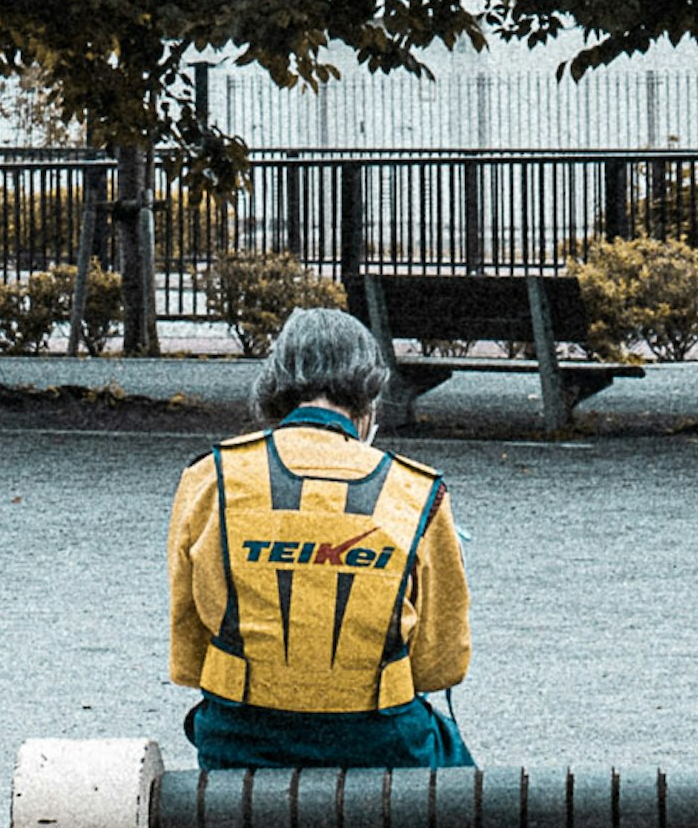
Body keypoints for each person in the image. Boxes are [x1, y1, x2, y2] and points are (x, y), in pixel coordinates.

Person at [168, 305, 474, 769]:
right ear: (369, 399)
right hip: (380, 743)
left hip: (244, 742)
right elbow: (440, 666)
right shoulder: (418, 492)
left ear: (274, 388)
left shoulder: (211, 477)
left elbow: (188, 658)